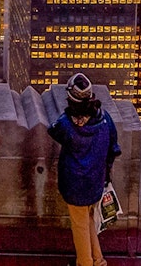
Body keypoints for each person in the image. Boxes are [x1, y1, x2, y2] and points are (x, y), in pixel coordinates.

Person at [48, 73, 120, 266]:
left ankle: (85, 262)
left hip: (74, 183)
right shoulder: (105, 119)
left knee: (80, 226)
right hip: (96, 181)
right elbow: (114, 148)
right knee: (88, 220)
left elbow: (52, 129)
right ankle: (98, 260)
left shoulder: (66, 124)